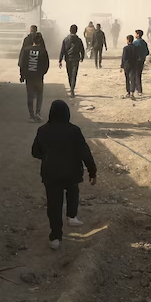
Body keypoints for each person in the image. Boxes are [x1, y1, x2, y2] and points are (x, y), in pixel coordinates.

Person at [31, 99, 97, 250]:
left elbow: (35, 152)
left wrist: (47, 157)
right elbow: (85, 152)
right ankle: (72, 216)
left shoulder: (42, 130)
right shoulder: (74, 131)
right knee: (73, 190)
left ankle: (55, 237)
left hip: (51, 174)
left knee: (54, 205)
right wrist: (92, 171)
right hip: (71, 172)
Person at [18, 32, 51, 122]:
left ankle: (31, 116)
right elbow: (46, 65)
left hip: (29, 77)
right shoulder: (43, 51)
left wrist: (22, 75)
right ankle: (38, 112)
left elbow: (22, 64)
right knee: (39, 94)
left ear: (33, 41)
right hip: (38, 77)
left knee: (30, 95)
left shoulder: (26, 50)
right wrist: (42, 73)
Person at [58, 24, 86, 98]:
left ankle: (71, 88)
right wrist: (82, 57)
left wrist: (60, 60)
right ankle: (72, 89)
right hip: (76, 59)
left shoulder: (66, 39)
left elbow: (62, 50)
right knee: (74, 75)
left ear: (70, 30)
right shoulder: (78, 40)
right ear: (76, 31)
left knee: (69, 74)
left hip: (68, 59)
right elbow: (82, 49)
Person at [120, 35, 139, 99]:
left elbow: (123, 58)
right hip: (133, 65)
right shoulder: (135, 48)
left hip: (127, 65)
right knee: (133, 79)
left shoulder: (125, 48)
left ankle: (128, 92)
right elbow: (137, 57)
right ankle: (132, 92)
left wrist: (122, 66)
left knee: (127, 78)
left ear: (128, 40)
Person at [132, 29, 150, 95]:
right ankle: (138, 89)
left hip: (136, 61)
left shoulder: (135, 43)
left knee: (135, 75)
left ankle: (138, 90)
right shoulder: (144, 42)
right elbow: (147, 52)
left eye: (136, 34)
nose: (135, 35)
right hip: (142, 61)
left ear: (138, 35)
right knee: (138, 75)